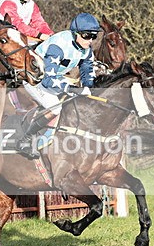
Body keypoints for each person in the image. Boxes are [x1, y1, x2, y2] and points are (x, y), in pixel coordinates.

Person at [14, 13, 100, 159]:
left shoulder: (86, 49)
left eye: (94, 36)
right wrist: (72, 89)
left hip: (55, 78)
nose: (90, 40)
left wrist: (88, 86)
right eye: (86, 35)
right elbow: (47, 79)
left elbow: (87, 69)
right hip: (36, 78)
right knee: (55, 107)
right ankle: (25, 140)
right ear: (75, 33)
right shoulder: (58, 46)